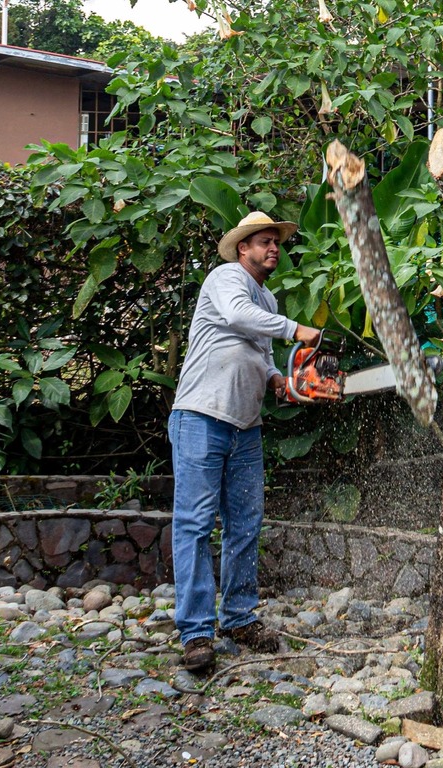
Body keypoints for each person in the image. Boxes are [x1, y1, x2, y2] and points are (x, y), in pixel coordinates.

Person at [168, 211, 321, 672]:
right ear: (243, 249)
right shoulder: (226, 278)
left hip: (246, 426)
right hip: (201, 415)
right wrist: (296, 329)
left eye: (276, 242)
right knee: (194, 524)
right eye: (264, 242)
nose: (273, 248)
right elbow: (237, 316)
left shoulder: (268, 297)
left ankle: (238, 617)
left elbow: (261, 351)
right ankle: (196, 633)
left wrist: (278, 380)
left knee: (245, 524)